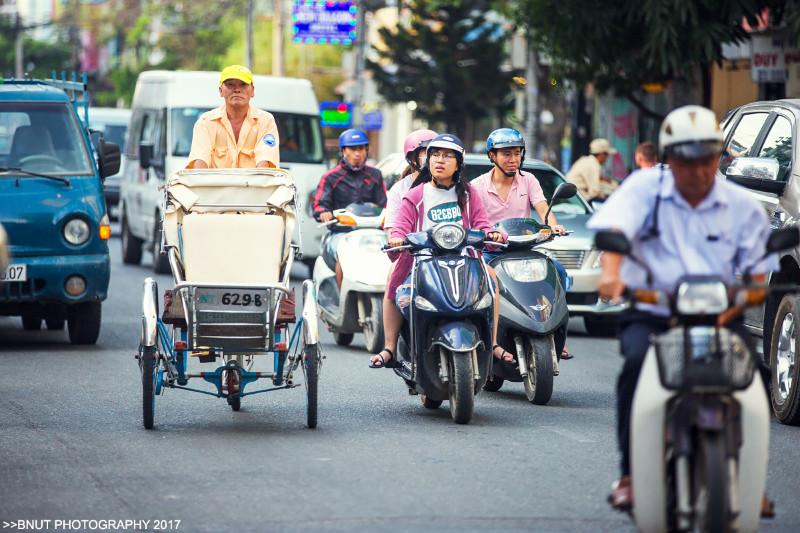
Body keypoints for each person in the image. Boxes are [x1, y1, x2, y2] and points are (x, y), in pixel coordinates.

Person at [587, 106, 777, 512]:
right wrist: (612, 274)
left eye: (707, 158)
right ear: (669, 159)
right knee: (635, 367)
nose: (698, 169)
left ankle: (748, 477)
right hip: (652, 310)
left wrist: (749, 294)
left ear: (720, 158)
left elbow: (759, 271)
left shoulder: (740, 204)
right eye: (687, 159)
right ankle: (631, 474)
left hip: (720, 315)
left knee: (753, 378)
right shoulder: (643, 190)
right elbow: (614, 230)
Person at [369, 133, 504, 368]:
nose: (440, 160)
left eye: (448, 156)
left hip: (465, 261)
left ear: (459, 163)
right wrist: (397, 238)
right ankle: (390, 347)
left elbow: (482, 224)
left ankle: (491, 344)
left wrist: (490, 234)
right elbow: (400, 226)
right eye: (436, 155)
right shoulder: (414, 195)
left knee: (491, 284)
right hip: (423, 262)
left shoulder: (469, 194)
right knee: (395, 287)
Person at [471, 127, 574, 360]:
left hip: (524, 250)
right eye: (506, 154)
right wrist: (482, 235)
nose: (513, 159)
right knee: (486, 287)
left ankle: (558, 336)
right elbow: (472, 219)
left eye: (517, 153)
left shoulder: (529, 181)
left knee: (558, 273)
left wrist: (553, 226)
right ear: (492, 156)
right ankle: (488, 339)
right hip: (491, 253)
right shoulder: (477, 186)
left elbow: (542, 207)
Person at [377, 129, 438, 365]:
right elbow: (392, 225)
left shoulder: (454, 187)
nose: (434, 159)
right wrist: (397, 238)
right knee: (393, 281)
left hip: (450, 253)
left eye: (438, 153)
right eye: (427, 153)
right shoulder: (401, 190)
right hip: (413, 254)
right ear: (413, 158)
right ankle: (390, 347)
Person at [313, 128, 387, 286]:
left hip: (371, 233)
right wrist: (323, 213)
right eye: (352, 149)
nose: (357, 153)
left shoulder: (375, 175)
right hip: (341, 233)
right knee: (343, 256)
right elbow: (319, 204)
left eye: (361, 148)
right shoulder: (331, 177)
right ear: (343, 151)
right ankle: (342, 298)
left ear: (366, 150)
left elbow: (384, 204)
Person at [187, 65, 280, 169]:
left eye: (243, 84)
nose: (237, 90)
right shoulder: (205, 122)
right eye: (230, 85)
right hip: (215, 185)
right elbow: (200, 162)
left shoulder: (266, 121)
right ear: (220, 91)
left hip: (253, 185)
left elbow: (265, 163)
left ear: (252, 90)